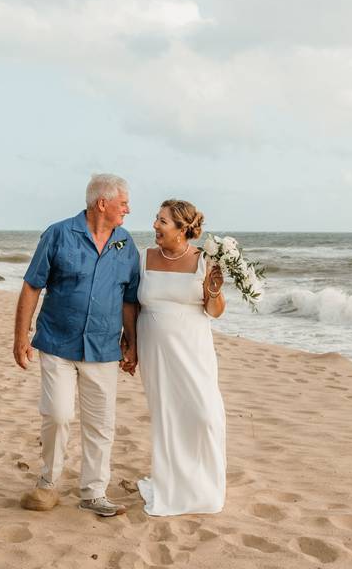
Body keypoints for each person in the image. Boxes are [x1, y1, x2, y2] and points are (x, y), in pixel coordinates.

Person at [13, 174, 140, 517]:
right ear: (103, 203)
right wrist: (20, 336)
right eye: (123, 202)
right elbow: (31, 287)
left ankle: (94, 491)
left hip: (103, 347)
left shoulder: (126, 244)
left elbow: (129, 300)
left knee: (101, 424)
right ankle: (48, 483)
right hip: (57, 342)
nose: (128, 208)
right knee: (58, 414)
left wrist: (132, 343)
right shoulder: (58, 234)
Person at [130, 199, 227, 516]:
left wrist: (213, 291)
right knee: (168, 417)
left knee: (204, 415)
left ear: (182, 229)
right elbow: (131, 303)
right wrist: (128, 344)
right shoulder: (143, 258)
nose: (155, 226)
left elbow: (214, 312)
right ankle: (171, 485)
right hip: (155, 350)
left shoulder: (203, 261)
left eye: (162, 222)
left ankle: (204, 488)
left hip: (194, 350)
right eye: (156, 219)